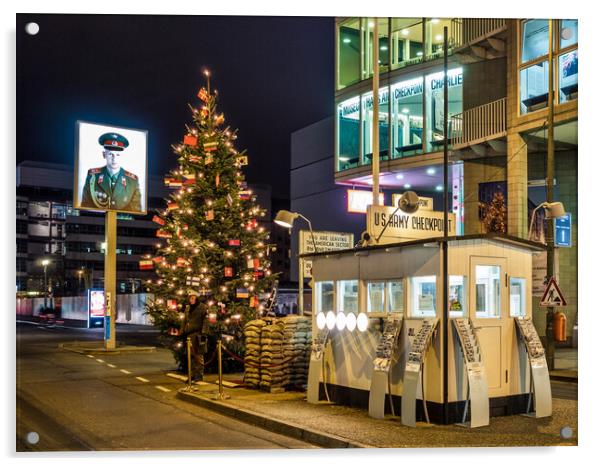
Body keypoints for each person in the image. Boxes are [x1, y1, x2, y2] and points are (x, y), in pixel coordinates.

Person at [80, 132, 142, 212]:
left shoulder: (132, 181)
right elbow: (85, 207)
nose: (114, 159)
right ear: (104, 155)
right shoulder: (93, 176)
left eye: (118, 155)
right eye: (110, 154)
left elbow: (136, 212)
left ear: (122, 156)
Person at [182, 292, 208, 381]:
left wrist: (204, 332)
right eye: (190, 298)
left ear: (196, 298)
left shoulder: (202, 307)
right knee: (191, 356)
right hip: (189, 335)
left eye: (193, 298)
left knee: (199, 355)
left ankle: (199, 375)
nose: (191, 300)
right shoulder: (188, 308)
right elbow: (185, 320)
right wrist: (182, 331)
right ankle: (192, 374)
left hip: (198, 334)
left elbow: (205, 320)